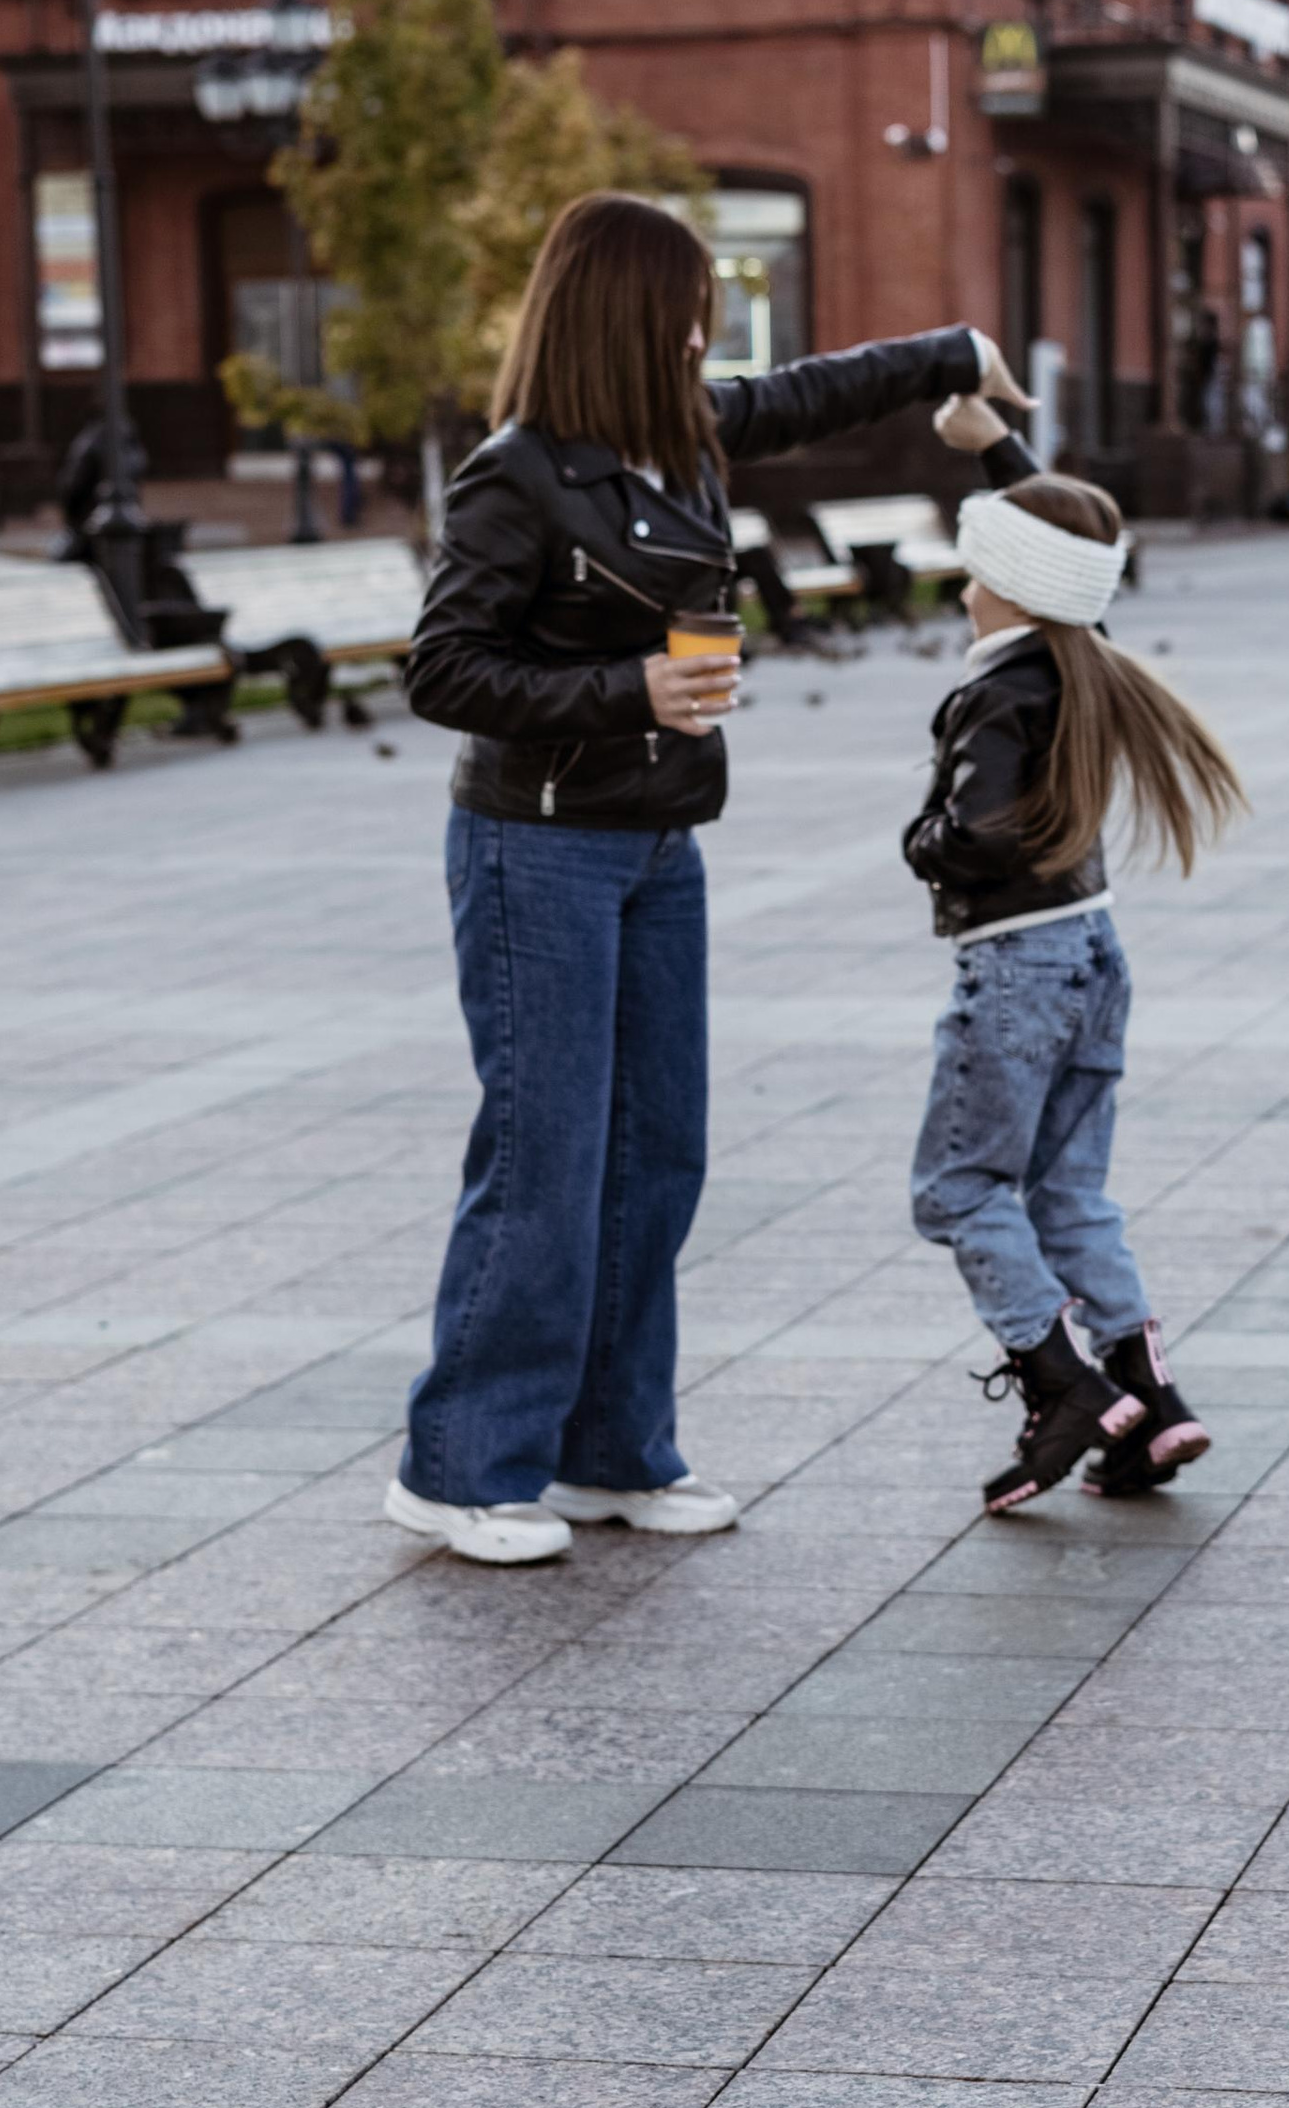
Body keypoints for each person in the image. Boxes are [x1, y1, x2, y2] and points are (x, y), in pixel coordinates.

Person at [388, 191, 1019, 1565]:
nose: (706, 327)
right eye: (689, 302)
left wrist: (954, 352)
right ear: (630, 311)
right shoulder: (518, 473)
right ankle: (461, 1466)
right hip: (537, 846)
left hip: (659, 841)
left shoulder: (681, 439)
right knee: (546, 1156)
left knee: (656, 1153)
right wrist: (632, 689)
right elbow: (441, 669)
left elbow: (814, 392)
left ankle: (610, 1453)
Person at [903, 447, 1246, 1512]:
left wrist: (926, 841)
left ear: (1009, 584)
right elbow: (1073, 530)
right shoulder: (1077, 662)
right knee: (1066, 1193)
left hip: (1016, 964)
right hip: (1091, 952)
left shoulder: (1005, 688)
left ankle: (1062, 1384)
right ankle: (1148, 1394)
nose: (962, 588)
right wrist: (994, 442)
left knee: (957, 1189)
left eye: (972, 570)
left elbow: (981, 832)